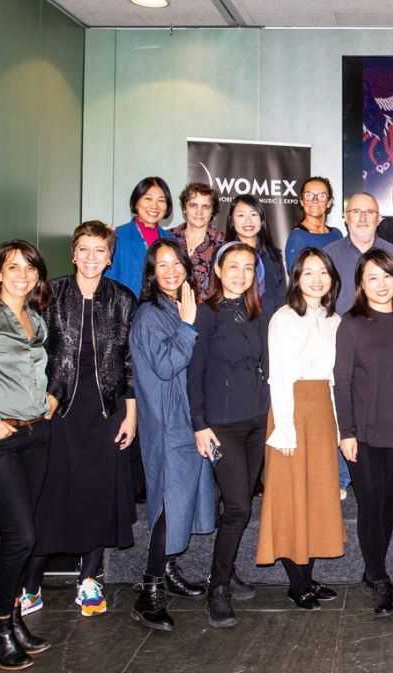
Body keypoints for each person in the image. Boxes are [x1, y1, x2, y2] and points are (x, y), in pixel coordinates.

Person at [25, 222, 137, 619]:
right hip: (57, 409)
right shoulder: (50, 294)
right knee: (49, 497)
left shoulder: (123, 299)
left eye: (99, 250)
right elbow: (32, 352)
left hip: (106, 411)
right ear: (73, 253)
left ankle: (89, 579)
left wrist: (131, 416)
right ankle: (31, 584)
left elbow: (129, 364)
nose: (91, 257)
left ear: (109, 258)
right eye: (84, 249)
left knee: (98, 495)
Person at [129, 240, 216, 632]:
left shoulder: (182, 306)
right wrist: (188, 325)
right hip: (168, 424)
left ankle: (167, 570)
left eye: (176, 263)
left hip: (186, 419)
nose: (170, 271)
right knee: (170, 504)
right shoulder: (150, 314)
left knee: (183, 502)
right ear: (152, 273)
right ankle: (148, 591)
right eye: (161, 265)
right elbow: (165, 367)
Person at [334, 249, 393, 617]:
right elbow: (342, 381)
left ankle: (374, 570)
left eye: (387, 276)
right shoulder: (351, 323)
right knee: (370, 503)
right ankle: (379, 577)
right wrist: (347, 432)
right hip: (364, 432)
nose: (381, 284)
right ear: (361, 283)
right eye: (372, 277)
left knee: (387, 501)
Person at [0, 241, 54, 670]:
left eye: (30, 268)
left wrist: (47, 399)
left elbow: (32, 370)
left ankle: (12, 618)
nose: (23, 275)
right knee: (20, 534)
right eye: (13, 267)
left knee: (29, 534)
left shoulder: (36, 320)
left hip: (34, 434)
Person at [187, 241, 269, 628]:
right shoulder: (206, 314)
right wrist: (199, 424)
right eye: (233, 266)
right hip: (221, 426)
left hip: (256, 423)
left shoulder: (257, 313)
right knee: (238, 507)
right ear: (218, 271)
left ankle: (227, 569)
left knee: (239, 504)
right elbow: (194, 373)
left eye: (248, 267)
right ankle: (217, 587)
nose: (240, 274)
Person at [257, 248, 343, 610]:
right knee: (291, 495)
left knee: (317, 496)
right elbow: (279, 376)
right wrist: (285, 429)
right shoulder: (284, 318)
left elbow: (335, 380)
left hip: (322, 412)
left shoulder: (334, 319)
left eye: (323, 272)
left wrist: (338, 427)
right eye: (308, 272)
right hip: (291, 411)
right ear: (296, 278)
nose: (316, 279)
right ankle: (297, 582)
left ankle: (308, 576)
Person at [324, 193, 393, 315]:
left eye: (370, 212)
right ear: (346, 217)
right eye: (356, 212)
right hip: (339, 326)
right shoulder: (329, 255)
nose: (363, 218)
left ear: (379, 219)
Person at [106, 176, 176, 296]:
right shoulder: (117, 236)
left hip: (162, 306)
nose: (154, 206)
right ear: (136, 202)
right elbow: (107, 283)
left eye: (161, 200)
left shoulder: (171, 240)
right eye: (148, 199)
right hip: (126, 306)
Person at [224, 194, 287, 312]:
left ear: (261, 220)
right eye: (241, 215)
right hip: (234, 319)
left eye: (253, 214)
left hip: (270, 320)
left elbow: (281, 297)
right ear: (232, 220)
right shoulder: (223, 255)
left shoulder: (273, 255)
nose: (248, 221)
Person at [170, 182, 224, 301]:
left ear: (212, 211)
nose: (199, 212)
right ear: (184, 209)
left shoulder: (222, 243)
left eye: (205, 206)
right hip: (169, 309)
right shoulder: (168, 238)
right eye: (193, 205)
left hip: (207, 310)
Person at [284, 176, 343, 271]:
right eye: (309, 195)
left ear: (329, 202)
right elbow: (295, 275)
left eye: (321, 196)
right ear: (301, 201)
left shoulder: (336, 234)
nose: (315, 200)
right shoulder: (298, 237)